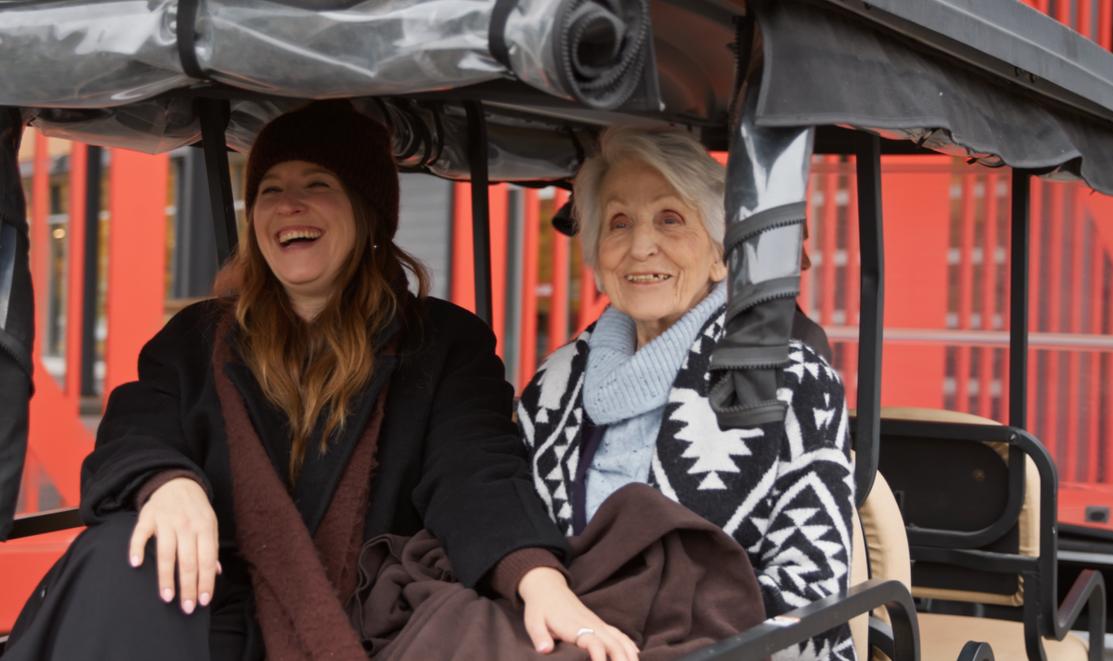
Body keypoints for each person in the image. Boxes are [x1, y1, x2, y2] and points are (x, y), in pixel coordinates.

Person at [4, 101, 637, 661]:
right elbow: (135, 427)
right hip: (210, 610)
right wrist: (167, 483)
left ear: (367, 213)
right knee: (122, 548)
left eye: (318, 183)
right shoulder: (197, 336)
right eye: (271, 189)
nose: (288, 205)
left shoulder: (441, 341)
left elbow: (476, 471)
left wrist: (538, 579)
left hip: (360, 613)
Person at [516, 128, 856, 660]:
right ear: (599, 257)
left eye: (670, 219)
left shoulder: (791, 378)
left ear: (722, 255)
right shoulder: (553, 385)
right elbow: (515, 528)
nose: (640, 246)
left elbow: (810, 583)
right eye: (618, 222)